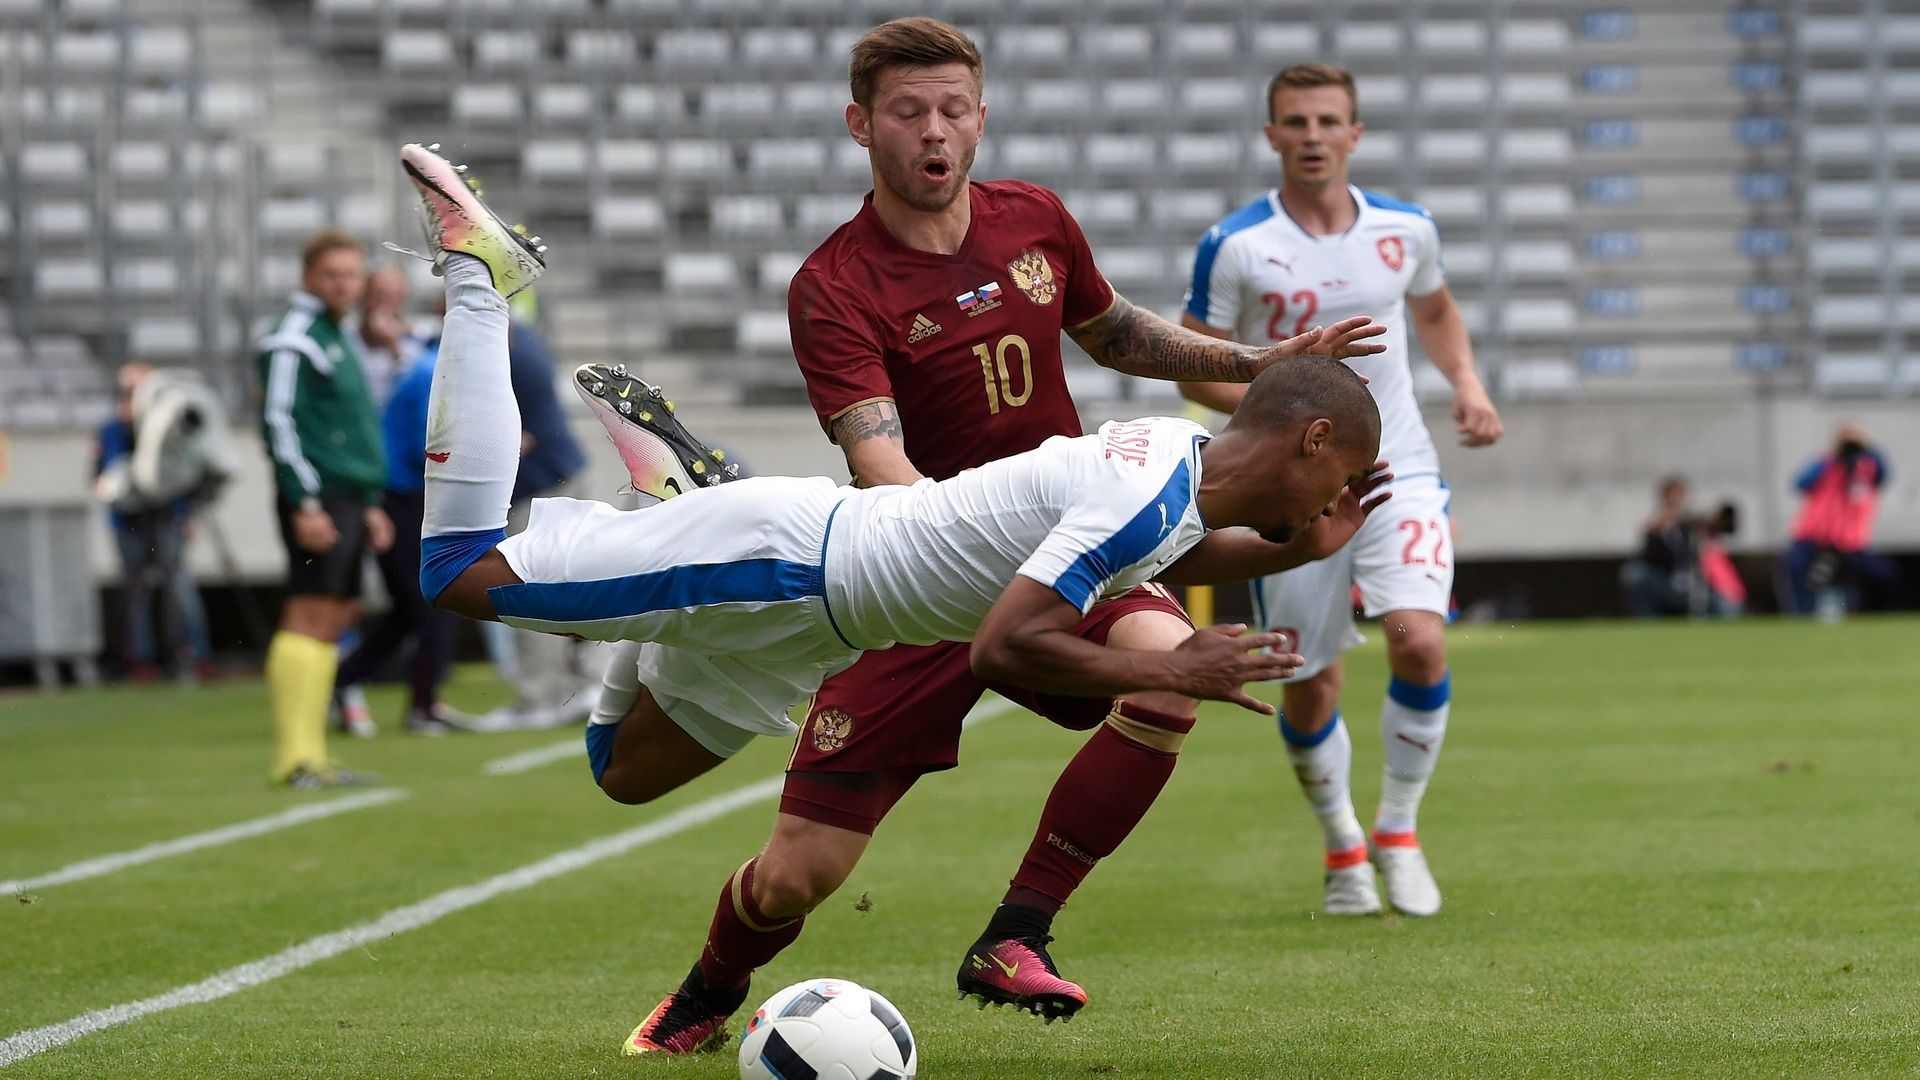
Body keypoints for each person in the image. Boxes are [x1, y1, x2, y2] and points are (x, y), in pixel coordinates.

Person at [399, 141, 1386, 1053]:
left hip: (811, 623)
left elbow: (1154, 555)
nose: (1341, 500)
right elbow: (1003, 649)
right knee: (459, 569)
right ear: (1311, 443)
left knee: (622, 770)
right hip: (789, 568)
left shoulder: (1178, 463)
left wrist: (1281, 554)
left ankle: (669, 509)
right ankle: (485, 280)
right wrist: (1183, 664)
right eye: (1346, 479)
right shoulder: (1151, 488)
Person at [1178, 62, 1503, 918]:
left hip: (1402, 468)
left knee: (1421, 644)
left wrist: (1466, 382)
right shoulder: (1238, 244)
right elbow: (1193, 361)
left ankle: (1398, 831)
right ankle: (1343, 845)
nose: (1313, 135)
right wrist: (1275, 403)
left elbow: (1432, 309)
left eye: (1328, 121)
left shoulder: (1406, 228)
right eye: (1296, 121)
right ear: (1272, 135)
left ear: (1355, 134)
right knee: (1308, 680)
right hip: (1291, 492)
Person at [257, 228, 393, 788]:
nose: (344, 284)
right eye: (332, 274)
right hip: (317, 497)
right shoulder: (294, 337)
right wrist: (305, 500)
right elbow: (278, 421)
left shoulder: (336, 335)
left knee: (333, 617)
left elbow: (349, 429)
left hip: (346, 499)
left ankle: (313, 755)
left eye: (352, 275)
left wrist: (368, 503)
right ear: (308, 277)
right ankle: (294, 758)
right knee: (308, 614)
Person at [330, 327, 472, 737]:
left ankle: (348, 682)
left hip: (399, 493)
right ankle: (422, 704)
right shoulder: (433, 376)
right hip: (402, 495)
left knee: (411, 607)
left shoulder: (426, 371)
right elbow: (426, 448)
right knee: (434, 599)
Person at [471, 315, 591, 732]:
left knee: (525, 586)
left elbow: (520, 437)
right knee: (570, 584)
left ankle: (540, 694)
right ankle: (584, 683)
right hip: (558, 477)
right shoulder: (523, 343)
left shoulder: (511, 358)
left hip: (541, 486)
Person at [93, 362, 214, 682]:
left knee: (179, 585)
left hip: (168, 517)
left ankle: (193, 654)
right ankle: (140, 660)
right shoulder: (113, 429)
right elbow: (105, 478)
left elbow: (183, 474)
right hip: (129, 522)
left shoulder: (168, 428)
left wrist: (186, 514)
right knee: (136, 591)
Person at [1784, 424, 1895, 615]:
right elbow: (1800, 482)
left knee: (1882, 574)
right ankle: (1801, 616)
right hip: (1814, 537)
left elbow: (1884, 474)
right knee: (1795, 567)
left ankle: (1874, 616)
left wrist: (1867, 446)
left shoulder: (1866, 470)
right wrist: (1829, 456)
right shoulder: (1826, 465)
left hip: (1849, 542)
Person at [1620, 476, 1697, 618]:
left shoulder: (1690, 525)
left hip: (1688, 582)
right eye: (1673, 495)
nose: (1677, 500)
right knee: (1633, 573)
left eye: (1680, 495)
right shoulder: (1658, 524)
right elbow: (1648, 552)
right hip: (1663, 579)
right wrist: (1663, 525)